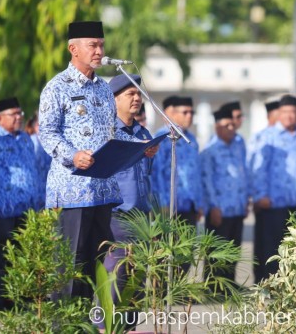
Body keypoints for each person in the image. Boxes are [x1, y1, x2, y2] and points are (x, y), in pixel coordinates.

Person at [38, 21, 122, 299]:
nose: (99, 51)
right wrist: (72, 155)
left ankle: (85, 325)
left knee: (94, 269)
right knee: (68, 269)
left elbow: (111, 133)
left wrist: (140, 147)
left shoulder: (104, 89)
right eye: (93, 45)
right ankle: (64, 326)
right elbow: (47, 133)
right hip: (72, 192)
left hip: (102, 191)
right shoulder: (57, 87)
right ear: (73, 49)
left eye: (101, 44)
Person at [103, 74, 158, 328]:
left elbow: (146, 176)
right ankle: (106, 327)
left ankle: (129, 328)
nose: (136, 98)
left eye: (138, 93)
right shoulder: (107, 131)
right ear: (114, 100)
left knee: (138, 281)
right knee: (117, 277)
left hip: (141, 217)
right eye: (130, 94)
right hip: (117, 216)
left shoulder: (142, 131)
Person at [0, 97, 39, 313]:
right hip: (0, 209)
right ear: (0, 118)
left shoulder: (25, 139)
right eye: (13, 114)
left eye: (20, 113)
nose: (19, 117)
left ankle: (14, 299)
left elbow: (33, 170)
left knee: (20, 258)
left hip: (25, 209)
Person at [251, 94, 296, 282]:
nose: (289, 116)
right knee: (272, 249)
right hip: (274, 203)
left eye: (292, 112)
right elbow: (258, 168)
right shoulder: (267, 137)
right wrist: (259, 195)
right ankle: (270, 285)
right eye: (285, 112)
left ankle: (294, 286)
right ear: (279, 114)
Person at [201, 108, 249, 282]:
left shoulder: (238, 146)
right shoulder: (210, 150)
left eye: (232, 124)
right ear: (217, 127)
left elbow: (244, 173)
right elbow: (207, 180)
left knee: (234, 249)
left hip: (236, 207)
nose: (231, 127)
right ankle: (213, 287)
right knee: (216, 251)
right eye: (226, 125)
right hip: (219, 209)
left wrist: (245, 200)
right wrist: (213, 206)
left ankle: (230, 284)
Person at [152, 96, 203, 225]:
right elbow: (156, 174)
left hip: (189, 206)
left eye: (192, 112)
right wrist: (161, 204)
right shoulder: (162, 138)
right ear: (173, 113)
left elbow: (196, 174)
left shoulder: (192, 140)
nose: (189, 116)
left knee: (188, 244)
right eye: (185, 112)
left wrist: (199, 202)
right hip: (169, 207)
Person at [25, 113, 51, 211]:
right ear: (37, 125)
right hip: (36, 194)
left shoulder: (46, 141)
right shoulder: (32, 142)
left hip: (45, 193)